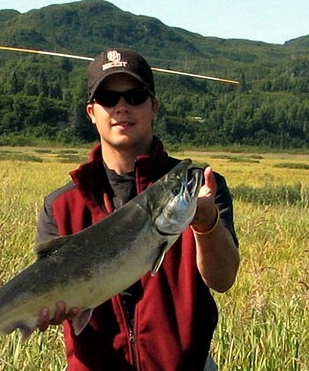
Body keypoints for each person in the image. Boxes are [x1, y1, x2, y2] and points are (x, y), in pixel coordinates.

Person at [35, 48, 240, 371]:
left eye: (135, 96)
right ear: (91, 111)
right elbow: (46, 286)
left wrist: (206, 222)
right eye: (108, 98)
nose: (121, 108)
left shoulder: (199, 187)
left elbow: (222, 279)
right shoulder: (61, 206)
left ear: (154, 106)